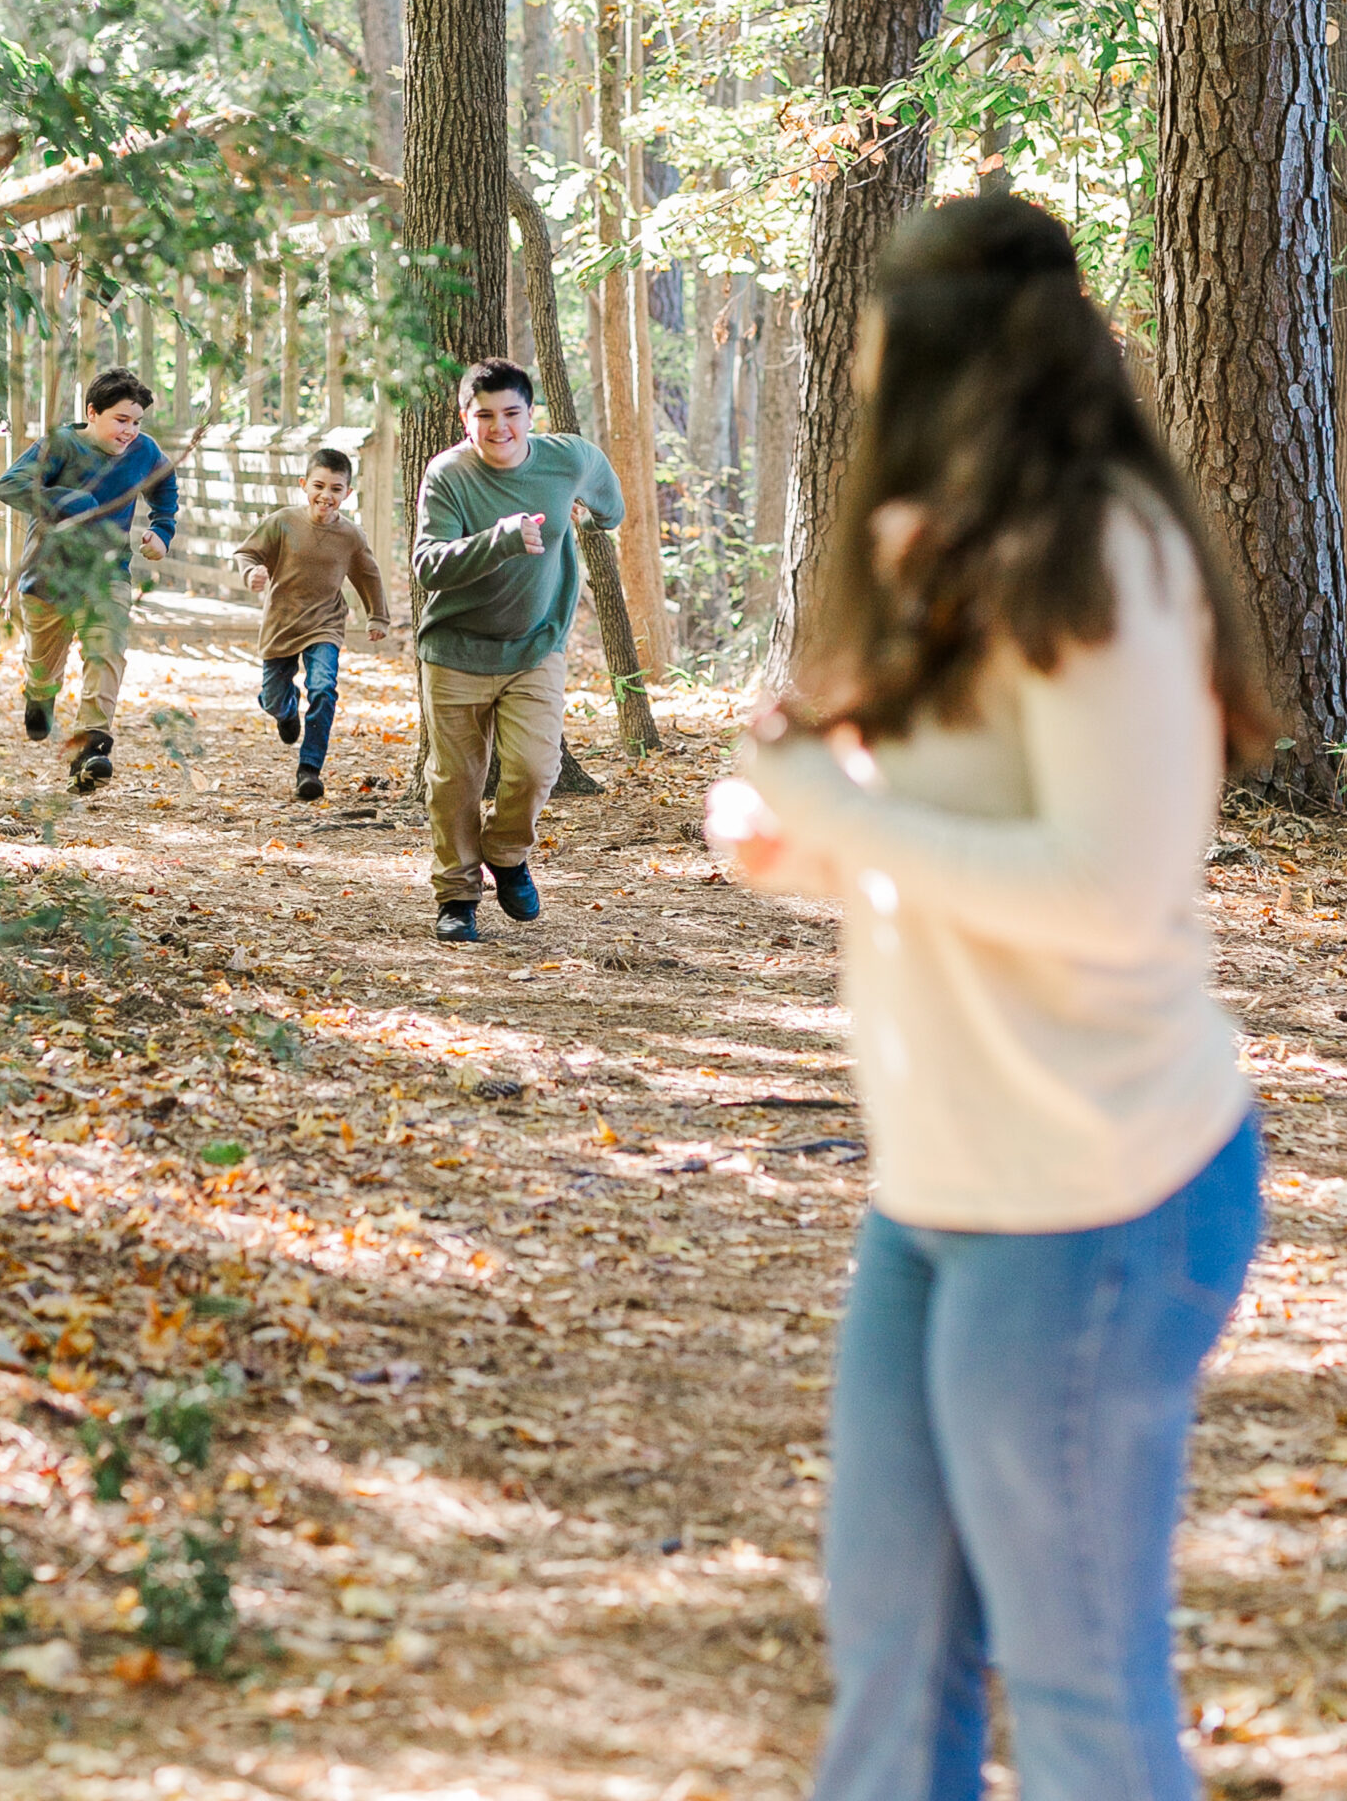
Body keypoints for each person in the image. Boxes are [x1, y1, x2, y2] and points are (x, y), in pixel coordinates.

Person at [706, 194, 1271, 1801]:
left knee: (1080, 1692)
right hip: (938, 1194)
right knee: (891, 1679)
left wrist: (834, 809)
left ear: (932, 357)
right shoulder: (930, 555)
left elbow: (1104, 890)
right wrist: (796, 839)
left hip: (1098, 1195)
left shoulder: (1103, 552)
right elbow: (942, 842)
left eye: (877, 349)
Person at [412, 358, 625, 943]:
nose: (498, 427)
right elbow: (427, 564)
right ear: (465, 419)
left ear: (531, 415)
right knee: (455, 779)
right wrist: (499, 540)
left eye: (511, 413)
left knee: (535, 768)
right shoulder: (449, 474)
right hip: (455, 650)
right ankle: (456, 896)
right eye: (484, 415)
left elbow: (613, 509)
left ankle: (506, 854)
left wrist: (588, 515)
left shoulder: (569, 459)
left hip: (536, 646)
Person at [0, 366, 177, 794]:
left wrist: (163, 531)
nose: (130, 431)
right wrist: (65, 499)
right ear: (92, 413)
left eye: (136, 422)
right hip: (48, 577)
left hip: (107, 573)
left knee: (107, 649)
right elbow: (9, 485)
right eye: (121, 420)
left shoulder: (145, 452)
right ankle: (39, 694)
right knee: (43, 664)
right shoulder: (61, 445)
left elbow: (164, 488)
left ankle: (91, 746)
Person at [235, 445, 391, 802]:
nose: (326, 495)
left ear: (348, 493)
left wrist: (378, 616)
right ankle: (286, 711)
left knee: (323, 688)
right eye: (319, 486)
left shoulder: (350, 536)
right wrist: (251, 572)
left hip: (326, 624)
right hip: (281, 622)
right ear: (304, 485)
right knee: (273, 696)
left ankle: (309, 769)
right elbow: (247, 552)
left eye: (336, 488)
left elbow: (368, 574)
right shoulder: (284, 522)